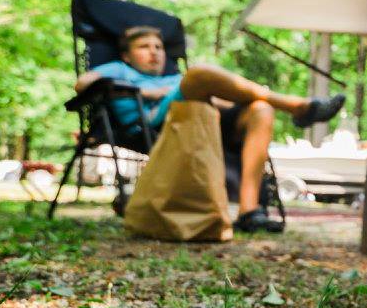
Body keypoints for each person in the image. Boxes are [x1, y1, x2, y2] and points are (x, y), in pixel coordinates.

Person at [75, 26, 345, 232]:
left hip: (204, 120)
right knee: (198, 74)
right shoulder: (118, 69)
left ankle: (250, 211)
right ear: (127, 54)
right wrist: (148, 91)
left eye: (158, 46)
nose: (154, 51)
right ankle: (298, 106)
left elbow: (219, 99)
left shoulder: (173, 77)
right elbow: (82, 84)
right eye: (144, 46)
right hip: (152, 125)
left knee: (261, 110)